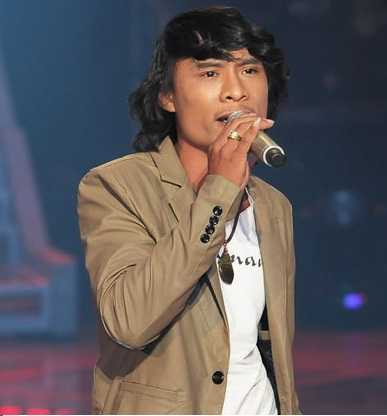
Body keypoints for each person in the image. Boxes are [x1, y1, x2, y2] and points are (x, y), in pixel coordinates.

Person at [77, 6, 300, 415]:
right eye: (211, 73)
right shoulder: (118, 186)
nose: (236, 91)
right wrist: (219, 191)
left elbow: (271, 354)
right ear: (167, 96)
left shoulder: (273, 206)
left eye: (250, 70)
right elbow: (129, 321)